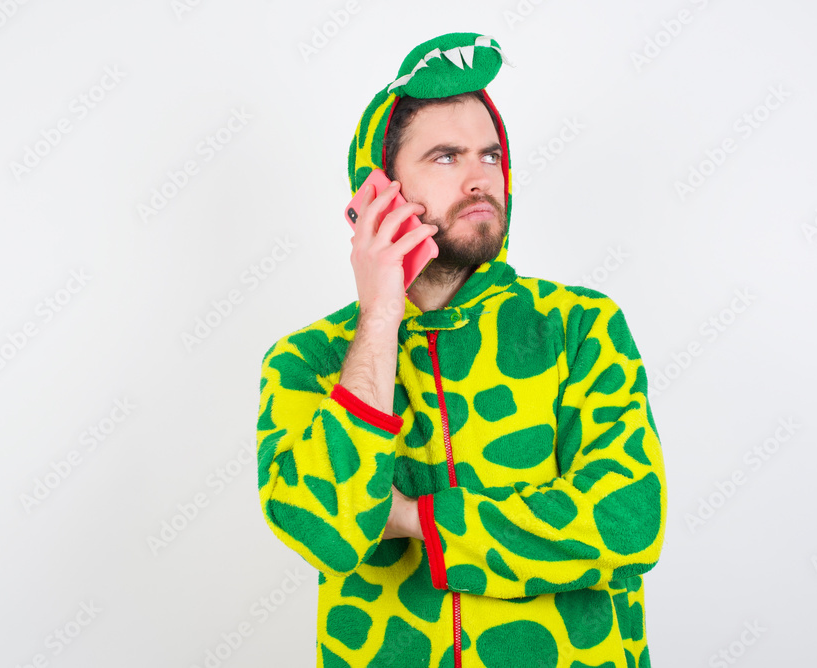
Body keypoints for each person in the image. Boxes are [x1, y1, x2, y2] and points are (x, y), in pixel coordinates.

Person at [256, 31, 667, 668]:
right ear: (379, 193)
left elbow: (627, 523)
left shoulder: (579, 326)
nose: (481, 178)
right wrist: (381, 315)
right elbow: (327, 531)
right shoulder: (308, 359)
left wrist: (418, 520)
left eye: (490, 154)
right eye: (446, 158)